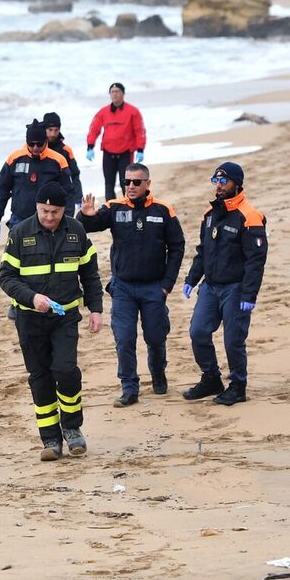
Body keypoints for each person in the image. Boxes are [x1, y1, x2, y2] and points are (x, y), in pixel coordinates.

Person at [0, 182, 103, 461]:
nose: (49, 216)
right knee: (41, 377)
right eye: (44, 211)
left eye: (55, 212)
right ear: (36, 207)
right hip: (30, 319)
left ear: (64, 210)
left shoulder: (77, 231)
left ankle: (72, 429)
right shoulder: (20, 234)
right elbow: (6, 277)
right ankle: (50, 439)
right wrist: (32, 298)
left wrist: (96, 309)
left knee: (66, 371)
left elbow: (90, 273)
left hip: (65, 317)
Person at [78, 163, 185, 406]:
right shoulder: (114, 207)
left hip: (154, 287)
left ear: (148, 184)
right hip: (123, 287)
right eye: (127, 182)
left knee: (156, 337)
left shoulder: (163, 210)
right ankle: (129, 388)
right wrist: (85, 214)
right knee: (124, 339)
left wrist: (167, 284)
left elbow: (178, 247)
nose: (131, 186)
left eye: (136, 182)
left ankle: (158, 374)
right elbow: (88, 226)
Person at [181, 161, 267, 406]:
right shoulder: (209, 215)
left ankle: (238, 386)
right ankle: (211, 379)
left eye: (223, 181)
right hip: (210, 286)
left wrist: (249, 295)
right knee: (198, 332)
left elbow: (255, 261)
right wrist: (191, 279)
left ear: (236, 183)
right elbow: (203, 251)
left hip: (235, 288)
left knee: (233, 339)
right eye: (215, 181)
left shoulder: (250, 216)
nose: (218, 186)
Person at [0, 118, 75, 241]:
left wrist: (68, 220)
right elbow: (2, 190)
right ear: (26, 141)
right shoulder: (14, 159)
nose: (35, 147)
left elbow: (68, 193)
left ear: (45, 141)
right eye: (31, 144)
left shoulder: (58, 160)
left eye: (39, 144)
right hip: (19, 218)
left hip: (48, 219)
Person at [86, 82, 146, 201]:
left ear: (123, 94)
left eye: (117, 91)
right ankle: (110, 209)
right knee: (109, 184)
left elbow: (140, 130)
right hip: (108, 153)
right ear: (110, 94)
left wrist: (140, 149)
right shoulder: (103, 112)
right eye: (112, 92)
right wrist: (90, 146)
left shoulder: (133, 111)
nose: (115, 94)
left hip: (125, 152)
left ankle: (129, 205)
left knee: (127, 183)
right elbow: (94, 128)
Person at [42, 111, 83, 215]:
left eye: (56, 130)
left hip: (64, 198)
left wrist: (79, 197)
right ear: (44, 129)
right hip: (42, 199)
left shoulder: (66, 150)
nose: (53, 134)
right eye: (50, 130)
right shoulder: (37, 149)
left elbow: (75, 175)